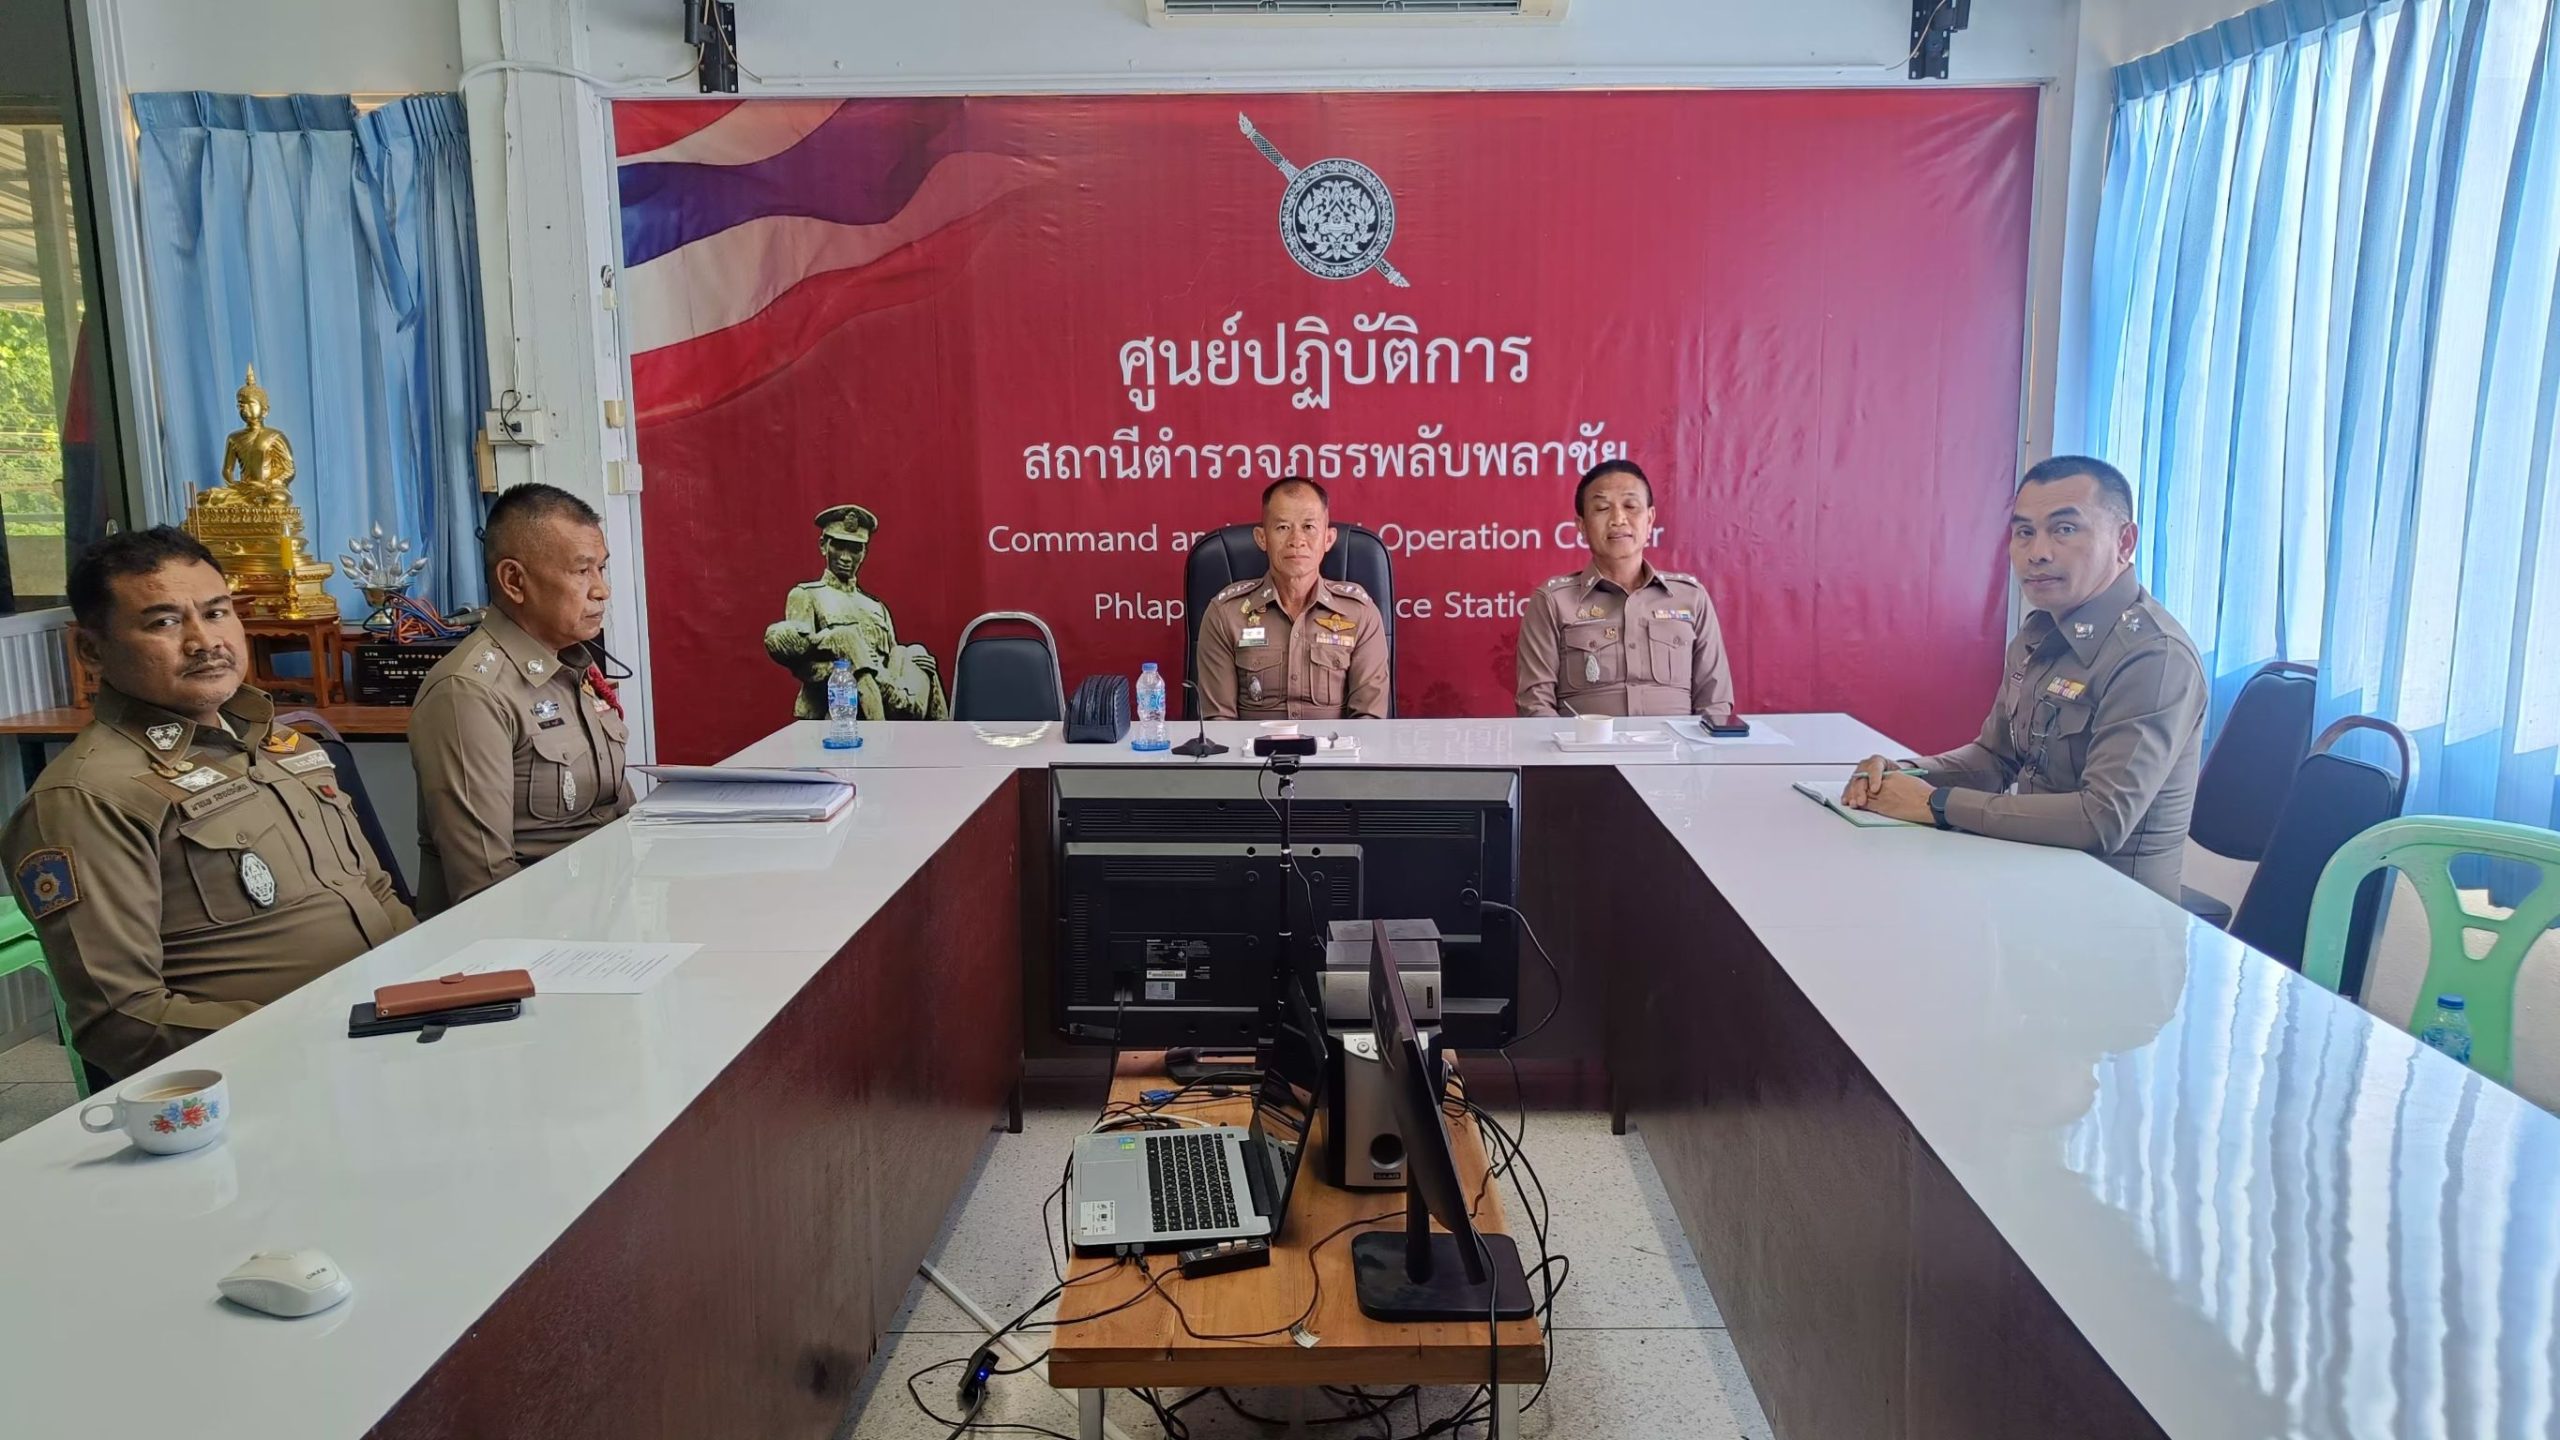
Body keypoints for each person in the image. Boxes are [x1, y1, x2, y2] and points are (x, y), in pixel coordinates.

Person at [0, 528, 413, 1084]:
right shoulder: (87, 797)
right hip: (279, 1071)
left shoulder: (284, 746)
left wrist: (438, 984)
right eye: (164, 623)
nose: (204, 641)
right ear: (92, 651)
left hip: (398, 1027)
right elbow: (122, 1021)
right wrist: (320, 1033)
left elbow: (376, 892)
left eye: (217, 613)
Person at [1844, 456, 2205, 899]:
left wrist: (1935, 804)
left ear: (2124, 542)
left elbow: (2101, 819)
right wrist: (1905, 775)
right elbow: (1994, 759)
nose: (2037, 552)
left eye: (2064, 529)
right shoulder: (2040, 632)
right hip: (2027, 880)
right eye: (2024, 532)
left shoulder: (2153, 656)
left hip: (2115, 910)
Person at [412, 484, 631, 915]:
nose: (601, 590)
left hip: (606, 907)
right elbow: (486, 887)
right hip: (534, 928)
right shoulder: (470, 693)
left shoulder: (571, 666)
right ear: (514, 581)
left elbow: (618, 818)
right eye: (581, 571)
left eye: (601, 569)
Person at [1515, 459, 1736, 723]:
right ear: (1582, 526)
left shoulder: (1691, 598)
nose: (1618, 519)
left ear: (1650, 519)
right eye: (1602, 508)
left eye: (1630, 506)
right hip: (1586, 748)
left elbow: (1715, 702)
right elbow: (1535, 704)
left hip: (1678, 748)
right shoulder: (1553, 601)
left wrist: (1697, 749)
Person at [1195, 477, 1389, 721]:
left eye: (1308, 527)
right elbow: (1218, 723)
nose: (1297, 540)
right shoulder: (1226, 614)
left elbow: (1369, 721)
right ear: (1262, 538)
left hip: (1334, 747)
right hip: (1251, 747)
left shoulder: (1359, 613)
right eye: (1283, 527)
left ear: (1328, 539)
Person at [763, 504, 948, 721]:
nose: (846, 557)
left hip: (888, 694)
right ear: (823, 546)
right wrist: (845, 669)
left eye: (855, 549)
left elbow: (893, 656)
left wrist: (916, 665)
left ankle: (944, 733)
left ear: (864, 552)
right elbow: (802, 663)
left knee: (916, 653)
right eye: (839, 546)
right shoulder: (806, 595)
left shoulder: (876, 606)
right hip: (840, 706)